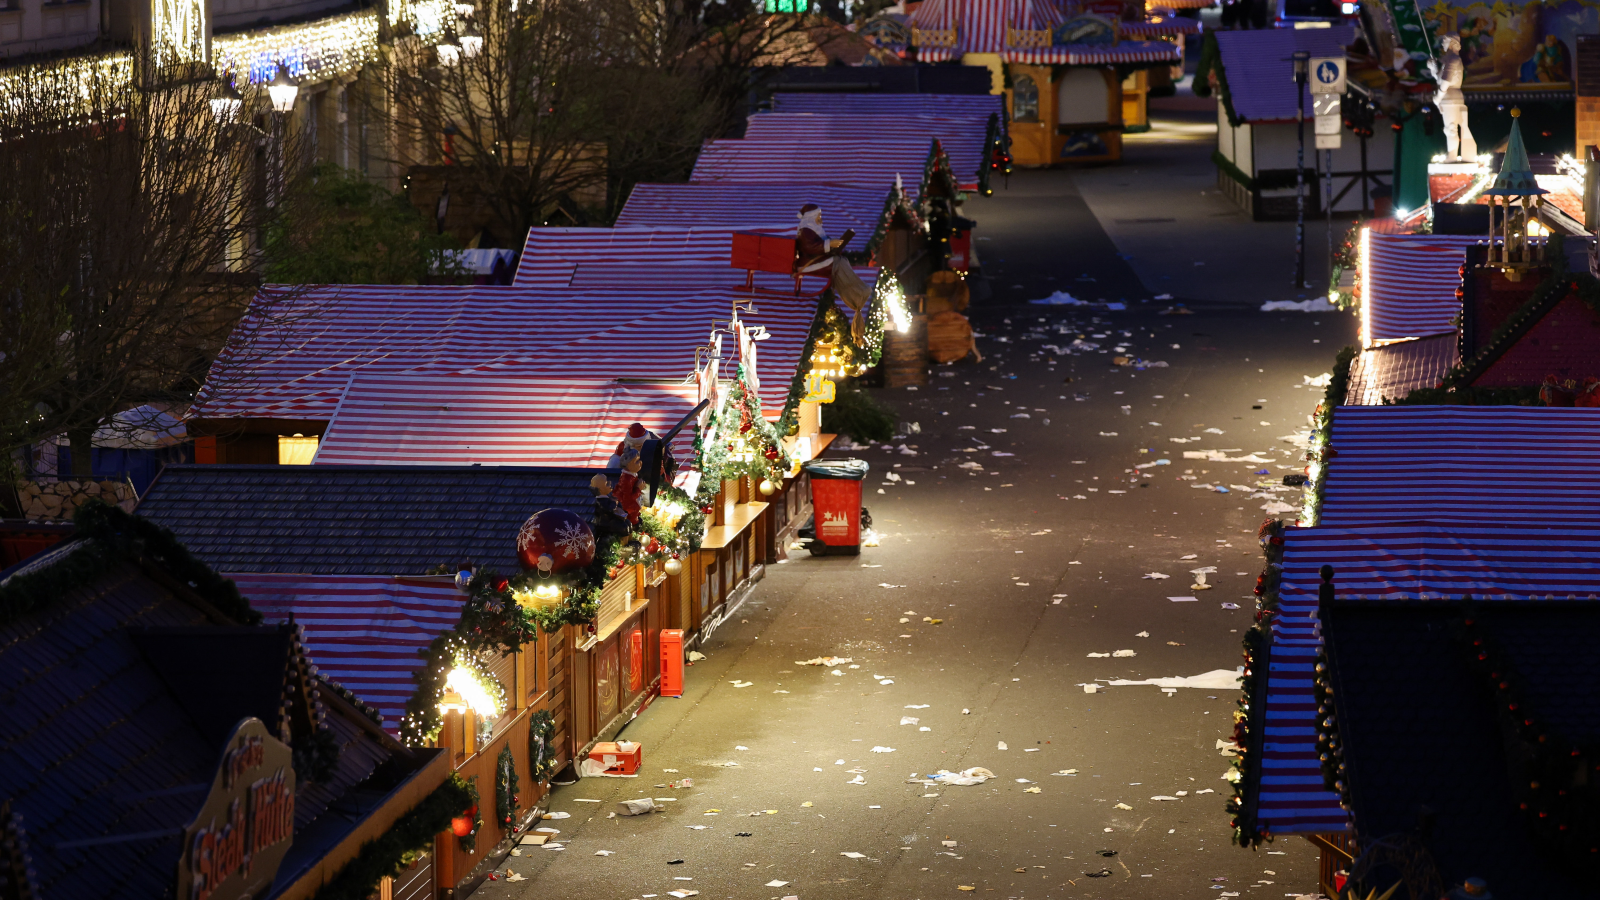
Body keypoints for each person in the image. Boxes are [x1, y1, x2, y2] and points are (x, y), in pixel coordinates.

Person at [795, 204, 874, 340]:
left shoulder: (814, 229)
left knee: (841, 261)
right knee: (838, 263)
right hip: (808, 263)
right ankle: (857, 293)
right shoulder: (806, 230)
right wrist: (829, 244)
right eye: (818, 215)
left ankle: (857, 291)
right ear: (812, 217)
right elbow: (810, 247)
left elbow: (820, 244)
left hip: (815, 259)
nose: (820, 218)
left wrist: (834, 245)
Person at [1431, 34, 1477, 160]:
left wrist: (1439, 96)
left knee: (1451, 128)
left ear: (1452, 43)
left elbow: (1446, 81)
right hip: (1449, 96)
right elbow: (1441, 79)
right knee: (1449, 128)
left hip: (1450, 97)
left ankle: (1452, 156)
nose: (1443, 44)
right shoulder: (1450, 59)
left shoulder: (1453, 59)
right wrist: (1433, 70)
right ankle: (1451, 155)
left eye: (1445, 41)